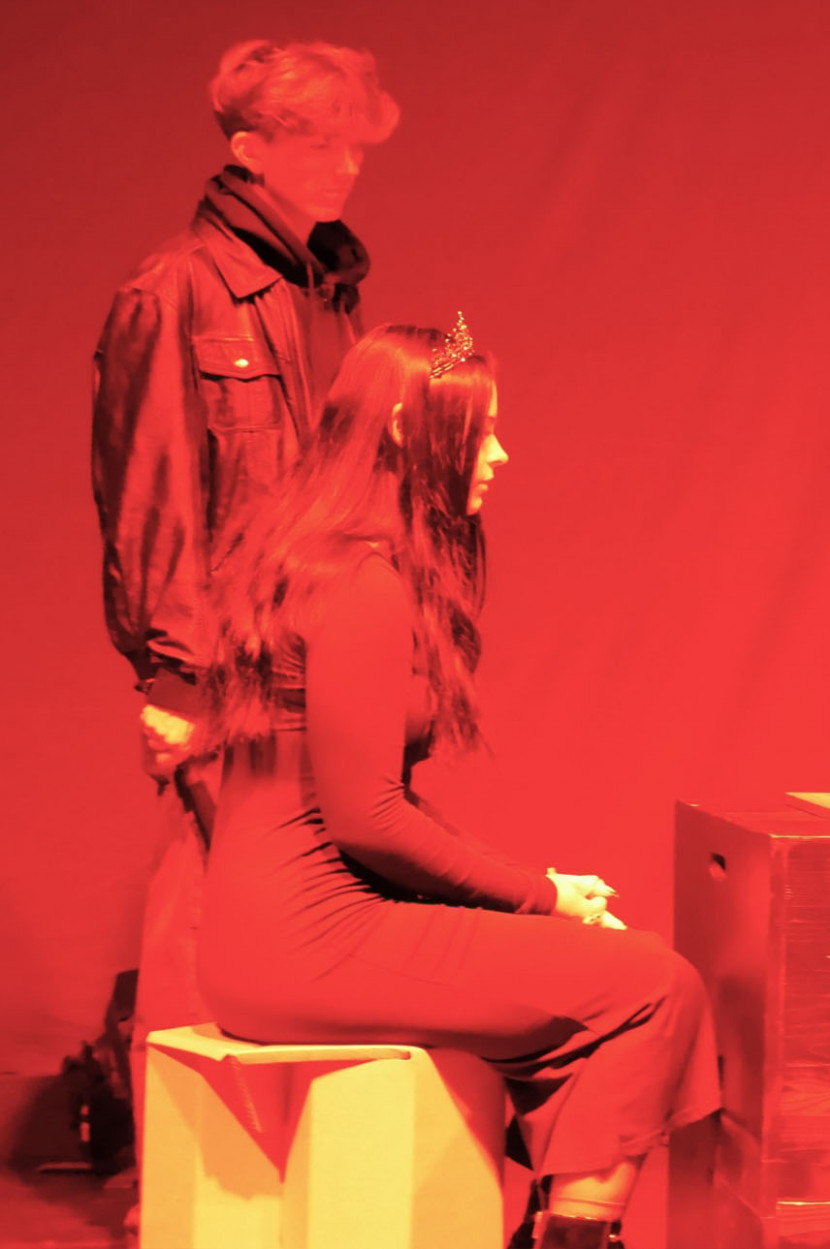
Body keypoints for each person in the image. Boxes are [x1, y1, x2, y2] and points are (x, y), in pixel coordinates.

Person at [201, 321, 719, 1249]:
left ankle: (553, 1224)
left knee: (599, 975)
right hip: (307, 939)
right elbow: (369, 820)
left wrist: (536, 893)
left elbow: (367, 806)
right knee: (655, 986)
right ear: (408, 430)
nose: (500, 454)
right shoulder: (360, 580)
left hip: (267, 933)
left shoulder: (310, 556)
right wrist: (540, 896)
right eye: (481, 431)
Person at [89, 39, 399, 1188]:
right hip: (228, 666)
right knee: (204, 920)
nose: (348, 164)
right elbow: (151, 495)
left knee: (307, 916)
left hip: (326, 653)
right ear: (250, 147)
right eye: (322, 141)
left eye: (355, 142)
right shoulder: (177, 291)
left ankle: (290, 1190)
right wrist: (175, 683)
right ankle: (182, 1194)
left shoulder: (330, 292)